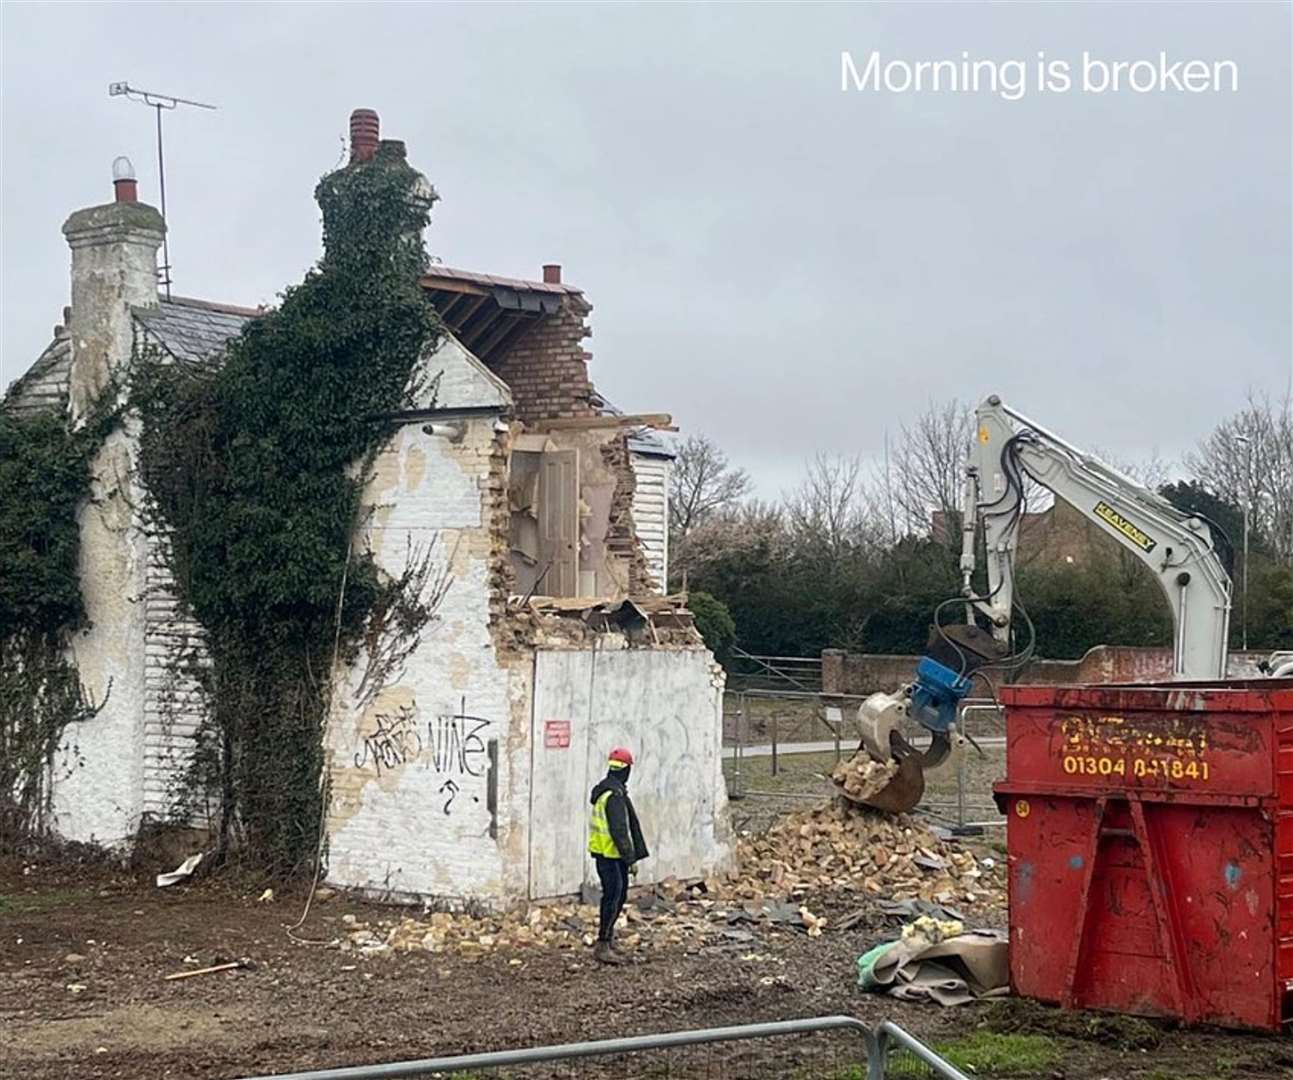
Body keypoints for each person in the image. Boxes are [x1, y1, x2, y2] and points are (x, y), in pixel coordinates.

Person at [587, 746, 649, 964]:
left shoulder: (607, 791)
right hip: (610, 856)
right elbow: (620, 830)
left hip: (606, 854)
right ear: (626, 770)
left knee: (617, 896)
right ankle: (603, 944)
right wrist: (630, 859)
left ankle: (608, 940)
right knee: (613, 897)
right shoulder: (614, 795)